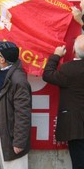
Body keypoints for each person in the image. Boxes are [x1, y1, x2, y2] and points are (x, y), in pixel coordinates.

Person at [0, 40, 32, 169]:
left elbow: (23, 113)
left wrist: (19, 142)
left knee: (14, 165)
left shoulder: (18, 80)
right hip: (1, 126)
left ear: (2, 59)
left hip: (12, 132)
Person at [42, 35, 84, 169]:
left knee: (78, 162)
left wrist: (56, 55)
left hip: (75, 127)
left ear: (74, 52)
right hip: (76, 125)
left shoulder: (69, 69)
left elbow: (47, 74)